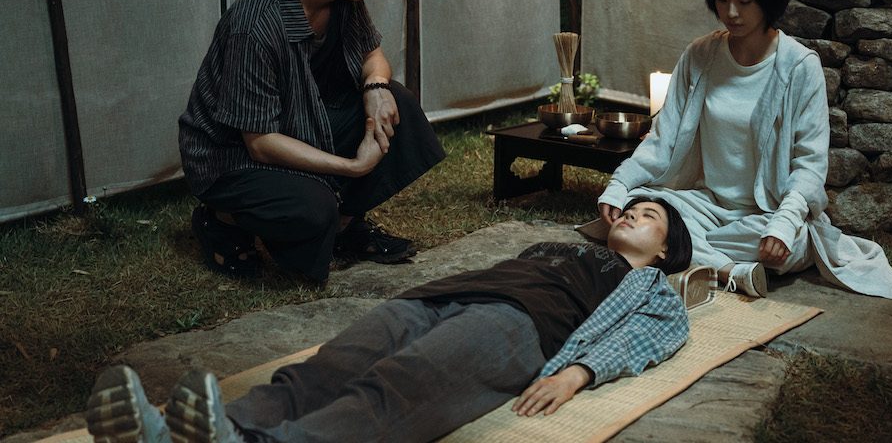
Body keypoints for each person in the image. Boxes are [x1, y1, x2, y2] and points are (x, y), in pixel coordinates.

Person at [84, 198, 692, 443]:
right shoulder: (555, 243)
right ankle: (199, 431)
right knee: (325, 368)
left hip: (518, 325)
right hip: (439, 296)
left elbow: (658, 333)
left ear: (665, 250)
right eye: (630, 207)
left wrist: (578, 373)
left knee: (401, 384)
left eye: (650, 217)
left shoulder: (649, 286)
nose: (632, 214)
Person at [597, 0, 892, 300]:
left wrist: (784, 223)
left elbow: (809, 165)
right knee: (638, 203)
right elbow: (664, 139)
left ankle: (692, 254)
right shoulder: (700, 55)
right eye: (722, 0)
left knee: (791, 242)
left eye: (745, 1)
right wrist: (619, 184)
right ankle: (732, 271)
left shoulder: (799, 67)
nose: (732, 13)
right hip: (704, 205)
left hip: (765, 215)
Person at [178, 0, 445, 284]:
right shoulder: (256, 24)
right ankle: (221, 218)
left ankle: (343, 226)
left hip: (301, 122)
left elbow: (373, 55)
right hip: (233, 156)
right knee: (314, 208)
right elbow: (260, 142)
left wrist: (375, 88)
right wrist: (352, 167)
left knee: (398, 103)